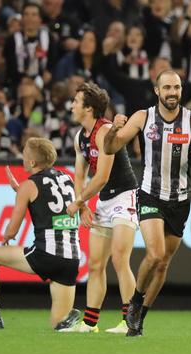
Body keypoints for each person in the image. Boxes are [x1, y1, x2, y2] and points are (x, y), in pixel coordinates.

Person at [103, 69, 191, 336]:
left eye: (176, 88)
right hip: (149, 195)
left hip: (179, 200)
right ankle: (134, 302)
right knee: (154, 254)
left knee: (163, 263)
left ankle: (140, 317)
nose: (172, 93)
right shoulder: (143, 117)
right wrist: (114, 130)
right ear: (157, 91)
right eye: (167, 88)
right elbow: (110, 148)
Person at [0, 138, 82, 330]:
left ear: (32, 162)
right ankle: (67, 322)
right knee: (59, 326)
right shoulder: (67, 178)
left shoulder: (29, 185)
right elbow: (48, 201)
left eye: (24, 154)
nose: (22, 157)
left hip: (46, 255)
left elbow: (13, 229)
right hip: (71, 259)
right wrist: (20, 191)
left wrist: (6, 236)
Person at [58, 82, 138, 334]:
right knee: (95, 264)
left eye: (76, 101)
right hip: (103, 200)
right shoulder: (79, 137)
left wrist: (79, 202)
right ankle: (90, 323)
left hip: (125, 197)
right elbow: (79, 175)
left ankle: (130, 322)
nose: (72, 106)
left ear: (89, 108)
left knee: (120, 258)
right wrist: (83, 206)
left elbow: (102, 176)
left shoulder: (104, 131)